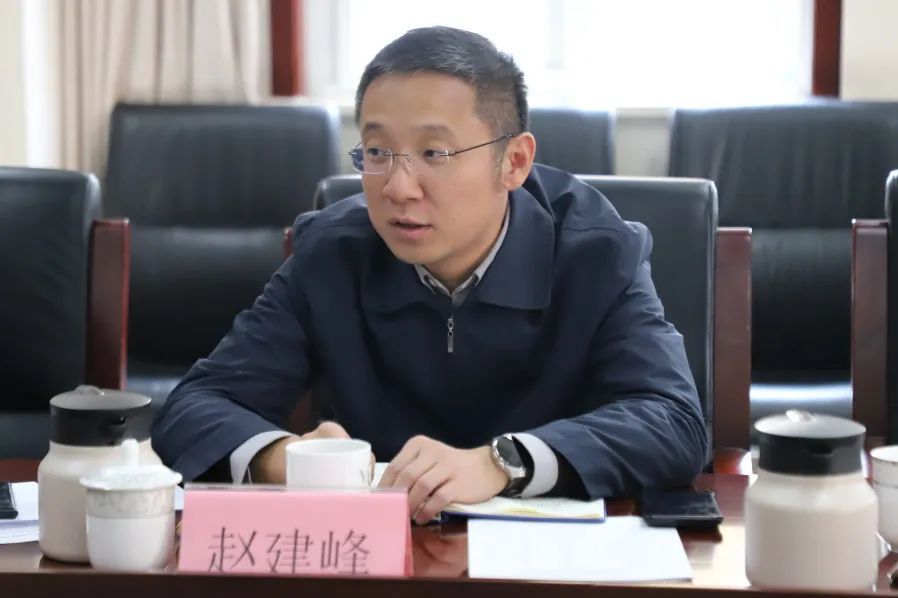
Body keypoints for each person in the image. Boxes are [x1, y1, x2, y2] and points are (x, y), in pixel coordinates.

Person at [152, 26, 707, 524]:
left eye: (434, 153)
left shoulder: (598, 251)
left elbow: (673, 422)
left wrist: (502, 463)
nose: (398, 187)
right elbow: (194, 408)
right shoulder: (330, 252)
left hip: (547, 564)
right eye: (377, 151)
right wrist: (288, 458)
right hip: (377, 555)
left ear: (514, 162)